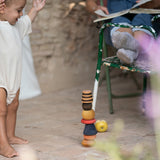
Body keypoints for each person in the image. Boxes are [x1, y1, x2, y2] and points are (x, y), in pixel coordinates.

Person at [0, 0, 46, 158]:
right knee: (1, 110)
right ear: (3, 8)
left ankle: (10, 135)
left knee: (14, 105)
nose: (21, 14)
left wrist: (35, 9)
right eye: (18, 11)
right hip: (1, 77)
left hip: (13, 75)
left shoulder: (16, 26)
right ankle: (2, 144)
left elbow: (27, 21)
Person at [86, 0, 160, 64]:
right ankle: (131, 48)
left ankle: (129, 52)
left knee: (142, 20)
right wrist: (96, 8)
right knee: (118, 22)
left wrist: (152, 2)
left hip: (145, 18)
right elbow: (90, 2)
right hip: (117, 19)